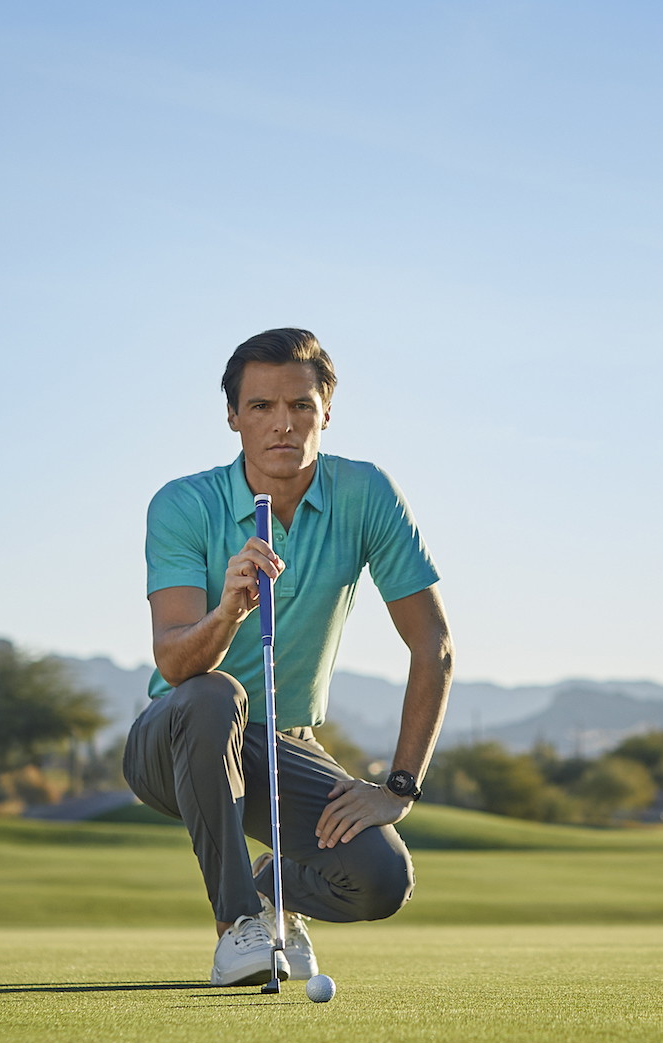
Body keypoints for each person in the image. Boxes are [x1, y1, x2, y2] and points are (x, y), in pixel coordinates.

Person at [121, 328, 454, 986]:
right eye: (262, 407)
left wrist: (400, 787)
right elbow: (176, 662)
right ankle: (239, 928)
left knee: (380, 881)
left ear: (327, 411)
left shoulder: (365, 494)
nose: (284, 425)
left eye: (301, 406)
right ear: (233, 417)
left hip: (281, 744)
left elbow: (432, 645)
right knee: (218, 694)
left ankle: (272, 895)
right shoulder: (185, 503)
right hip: (177, 736)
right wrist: (229, 613)